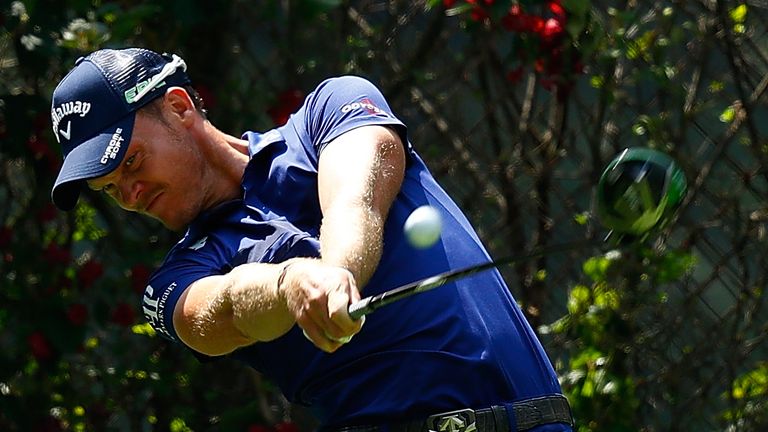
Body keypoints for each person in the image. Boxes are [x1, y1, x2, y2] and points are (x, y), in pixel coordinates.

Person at [50, 48, 574, 432]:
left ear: (181, 107)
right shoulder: (176, 278)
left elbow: (356, 196)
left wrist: (336, 269)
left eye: (132, 162)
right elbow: (222, 311)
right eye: (110, 188)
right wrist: (290, 283)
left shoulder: (331, 111)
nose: (130, 193)